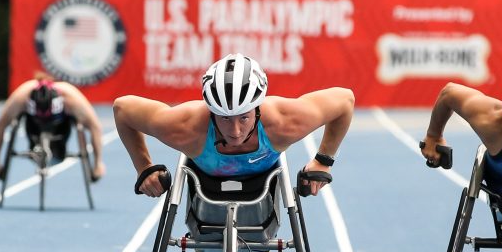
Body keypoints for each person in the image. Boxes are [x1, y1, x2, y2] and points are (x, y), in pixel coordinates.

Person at [113, 53, 355, 198]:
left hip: (264, 180)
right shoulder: (184, 127)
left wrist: (324, 161)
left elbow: (345, 100)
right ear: (211, 112)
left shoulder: (284, 122)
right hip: (205, 181)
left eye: (244, 118)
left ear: (258, 110)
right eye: (224, 118)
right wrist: (144, 167)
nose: (235, 131)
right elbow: (122, 109)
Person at [0, 76, 106, 181]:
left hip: (60, 126)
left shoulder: (72, 97)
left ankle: (57, 149)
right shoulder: (22, 96)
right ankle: (36, 146)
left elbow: (95, 127)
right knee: (33, 143)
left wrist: (98, 163)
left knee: (59, 153)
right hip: (33, 125)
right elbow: (0, 125)